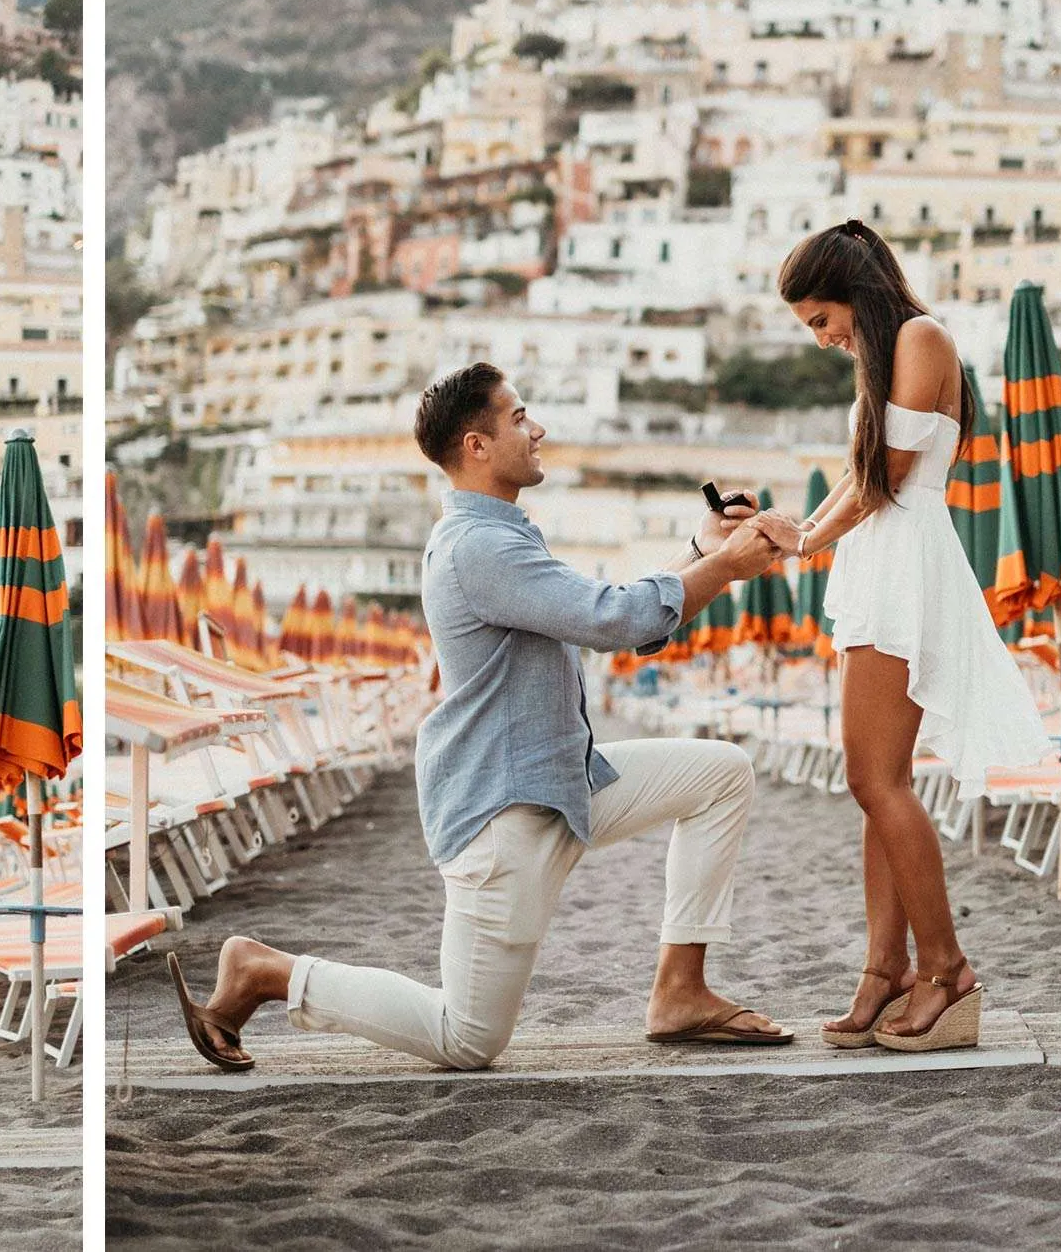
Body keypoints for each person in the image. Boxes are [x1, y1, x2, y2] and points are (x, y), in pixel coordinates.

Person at [167, 362, 791, 1072]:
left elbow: (626, 615)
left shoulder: (498, 536)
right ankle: (265, 972)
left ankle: (681, 990)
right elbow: (613, 618)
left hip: (563, 781)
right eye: (520, 416)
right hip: (507, 812)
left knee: (721, 774)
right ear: (478, 445)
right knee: (466, 1039)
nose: (538, 428)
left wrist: (705, 551)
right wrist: (725, 564)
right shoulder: (479, 548)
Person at [749, 218, 1049, 1052]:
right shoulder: (883, 358)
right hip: (881, 562)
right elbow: (861, 476)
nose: (821, 337)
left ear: (855, 290)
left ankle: (945, 970)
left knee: (877, 782)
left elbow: (888, 476)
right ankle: (886, 970)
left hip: (906, 564)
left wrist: (804, 538)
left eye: (821, 317)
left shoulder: (920, 336)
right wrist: (796, 530)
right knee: (875, 780)